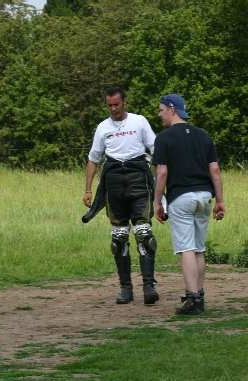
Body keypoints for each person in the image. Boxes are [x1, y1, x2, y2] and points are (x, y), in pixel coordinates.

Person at [83, 86, 159, 305]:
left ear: (124, 102)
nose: (113, 109)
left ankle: (148, 286)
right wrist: (88, 189)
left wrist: (162, 183)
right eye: (109, 105)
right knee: (118, 237)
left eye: (116, 104)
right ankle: (125, 288)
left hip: (139, 180)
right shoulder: (102, 127)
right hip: (114, 183)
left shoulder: (139, 121)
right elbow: (93, 159)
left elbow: (156, 149)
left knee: (144, 233)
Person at [153, 93, 225, 315]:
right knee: (199, 249)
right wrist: (220, 200)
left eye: (161, 109)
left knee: (186, 248)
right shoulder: (203, 135)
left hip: (181, 198)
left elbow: (162, 172)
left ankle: (193, 299)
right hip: (204, 196)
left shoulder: (163, 138)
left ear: (172, 109)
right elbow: (214, 169)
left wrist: (157, 202)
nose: (160, 114)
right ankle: (199, 294)